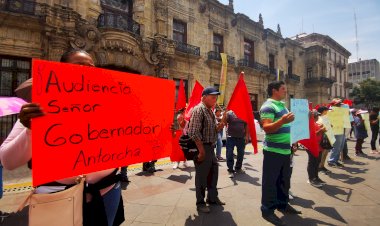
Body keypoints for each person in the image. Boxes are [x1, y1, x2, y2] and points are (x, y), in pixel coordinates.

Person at [0, 50, 124, 226]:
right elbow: (7, 161)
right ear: (59, 70)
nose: (88, 71)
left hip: (108, 192)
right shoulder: (39, 107)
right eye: (80, 66)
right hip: (59, 198)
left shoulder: (108, 105)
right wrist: (31, 129)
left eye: (92, 67)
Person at [260, 81, 301, 226]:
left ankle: (282, 204)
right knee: (270, 182)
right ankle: (267, 210)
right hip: (273, 151)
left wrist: (294, 142)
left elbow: (289, 125)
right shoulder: (268, 106)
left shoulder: (282, 106)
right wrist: (283, 120)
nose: (286, 90)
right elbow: (267, 128)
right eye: (283, 88)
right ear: (274, 90)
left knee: (284, 180)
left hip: (286, 149)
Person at [187, 86, 225, 213]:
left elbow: (214, 130)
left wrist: (223, 122)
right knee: (202, 177)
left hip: (211, 148)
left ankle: (212, 198)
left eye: (216, 97)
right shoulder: (199, 110)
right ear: (204, 97)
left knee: (214, 173)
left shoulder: (209, 111)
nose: (215, 99)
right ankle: (200, 202)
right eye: (212, 97)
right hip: (203, 148)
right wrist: (201, 151)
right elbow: (193, 132)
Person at [223, 110, 248, 178]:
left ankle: (238, 168)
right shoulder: (229, 113)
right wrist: (224, 116)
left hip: (241, 138)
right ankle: (230, 170)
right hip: (231, 137)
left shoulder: (243, 112)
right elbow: (224, 123)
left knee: (241, 153)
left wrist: (246, 136)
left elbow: (246, 125)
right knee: (229, 153)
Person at [307, 110, 327, 188]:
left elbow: (318, 132)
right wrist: (321, 130)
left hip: (319, 146)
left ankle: (316, 177)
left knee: (317, 162)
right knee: (312, 162)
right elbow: (311, 135)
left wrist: (322, 128)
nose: (318, 117)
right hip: (312, 146)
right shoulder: (308, 124)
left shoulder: (315, 123)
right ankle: (311, 179)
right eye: (316, 116)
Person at [327, 98, 345, 168]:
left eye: (340, 104)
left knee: (340, 146)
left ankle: (335, 160)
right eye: (338, 104)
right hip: (335, 131)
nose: (340, 105)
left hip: (341, 129)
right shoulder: (330, 111)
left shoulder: (341, 111)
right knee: (336, 147)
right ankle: (332, 161)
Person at [317, 106, 332, 175]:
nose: (328, 111)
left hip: (328, 136)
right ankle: (319, 167)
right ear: (323, 111)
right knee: (322, 153)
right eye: (327, 110)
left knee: (326, 153)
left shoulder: (325, 117)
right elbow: (320, 126)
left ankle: (322, 165)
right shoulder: (319, 118)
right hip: (323, 138)